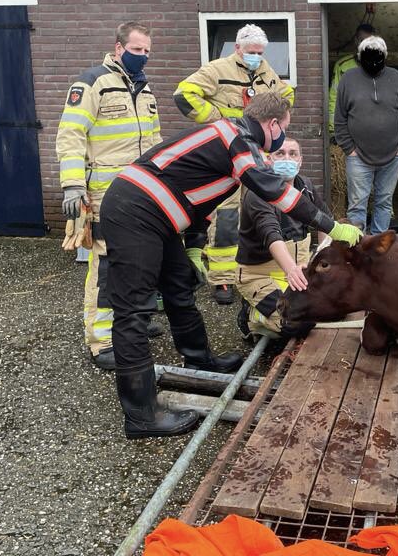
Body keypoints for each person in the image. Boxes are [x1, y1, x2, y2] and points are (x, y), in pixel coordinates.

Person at [100, 93, 362, 439]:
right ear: (272, 124)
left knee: (180, 286)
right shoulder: (236, 138)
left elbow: (202, 199)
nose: (283, 137)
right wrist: (331, 226)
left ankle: (199, 360)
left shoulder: (234, 141)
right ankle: (141, 416)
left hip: (156, 215)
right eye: (284, 129)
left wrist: (193, 246)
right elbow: (276, 194)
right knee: (132, 310)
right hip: (135, 211)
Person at [56, 22, 164, 371]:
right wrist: (73, 185)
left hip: (142, 193)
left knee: (142, 260)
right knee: (106, 265)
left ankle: (135, 323)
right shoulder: (91, 84)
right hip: (105, 195)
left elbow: (154, 140)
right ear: (118, 48)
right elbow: (71, 135)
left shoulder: (145, 90)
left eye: (147, 50)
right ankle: (102, 341)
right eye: (137, 49)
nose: (142, 56)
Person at [173, 24, 295, 306]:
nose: (257, 57)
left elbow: (286, 97)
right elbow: (184, 95)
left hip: (254, 152)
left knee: (256, 210)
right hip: (225, 153)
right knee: (226, 218)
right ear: (238, 48)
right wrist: (217, 118)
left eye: (261, 53)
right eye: (251, 52)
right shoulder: (217, 70)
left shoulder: (266, 72)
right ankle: (222, 279)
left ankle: (250, 269)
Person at [236, 137, 326, 341]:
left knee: (329, 309)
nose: (287, 158)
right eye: (280, 153)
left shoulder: (307, 187)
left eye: (292, 154)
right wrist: (292, 271)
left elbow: (325, 223)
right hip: (260, 276)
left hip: (296, 274)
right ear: (269, 159)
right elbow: (271, 235)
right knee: (297, 324)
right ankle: (251, 316)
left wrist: (318, 261)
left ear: (301, 160)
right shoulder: (257, 194)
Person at [334, 35, 398, 234]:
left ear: (385, 57)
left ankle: (379, 247)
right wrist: (349, 148)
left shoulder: (395, 77)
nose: (374, 63)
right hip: (358, 156)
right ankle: (356, 246)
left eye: (379, 58)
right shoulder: (348, 79)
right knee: (357, 204)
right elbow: (340, 117)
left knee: (384, 202)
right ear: (360, 57)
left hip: (392, 155)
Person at [327, 23, 376, 219]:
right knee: (348, 181)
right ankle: (351, 224)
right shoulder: (343, 66)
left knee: (373, 182)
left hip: (373, 134)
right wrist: (333, 131)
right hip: (349, 133)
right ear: (356, 41)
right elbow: (334, 99)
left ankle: (373, 220)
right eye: (362, 40)